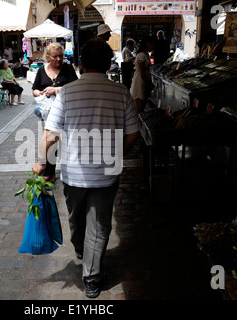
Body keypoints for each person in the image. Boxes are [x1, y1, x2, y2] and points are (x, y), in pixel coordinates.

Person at [32, 39, 140, 298]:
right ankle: (88, 261)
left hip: (73, 174)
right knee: (98, 224)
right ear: (108, 64)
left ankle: (89, 270)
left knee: (78, 219)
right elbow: (134, 134)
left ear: (81, 63)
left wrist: (42, 163)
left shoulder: (67, 92)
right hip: (106, 174)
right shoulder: (121, 92)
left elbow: (50, 134)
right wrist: (117, 154)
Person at [32, 42, 78, 182]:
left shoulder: (68, 69)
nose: (58, 59)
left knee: (60, 142)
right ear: (48, 57)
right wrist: (38, 92)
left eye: (61, 56)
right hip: (47, 111)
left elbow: (75, 87)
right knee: (51, 141)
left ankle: (64, 172)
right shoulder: (41, 71)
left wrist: (56, 90)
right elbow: (34, 89)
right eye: (55, 56)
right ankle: (49, 172)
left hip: (66, 111)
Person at [130, 36, 155, 114]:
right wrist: (149, 84)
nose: (153, 46)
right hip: (140, 82)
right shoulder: (142, 56)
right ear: (147, 44)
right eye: (152, 44)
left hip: (142, 81)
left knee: (142, 105)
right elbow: (142, 73)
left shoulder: (145, 54)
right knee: (139, 106)